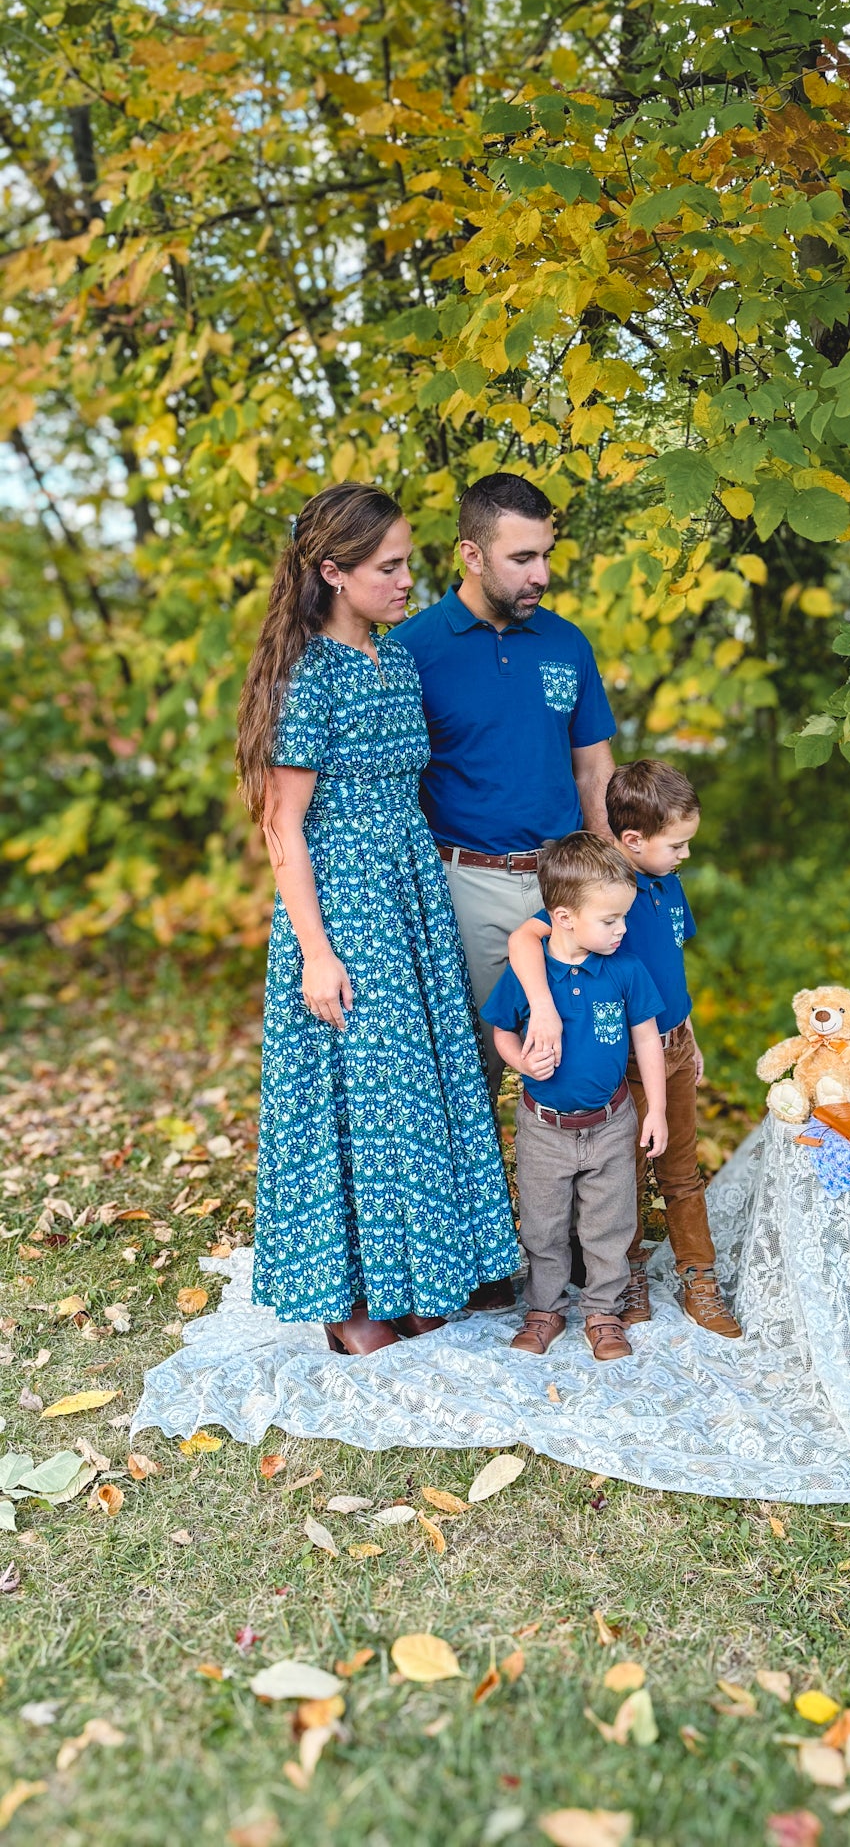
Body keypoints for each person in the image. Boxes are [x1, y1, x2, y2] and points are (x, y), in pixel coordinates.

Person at [234, 483, 520, 1356]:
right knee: (357, 1092)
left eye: (407, 563)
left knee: (417, 1089)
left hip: (411, 894)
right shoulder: (307, 673)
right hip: (345, 903)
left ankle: (419, 1274)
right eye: (388, 568)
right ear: (333, 572)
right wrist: (315, 954)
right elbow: (281, 827)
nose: (406, 581)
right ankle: (348, 1298)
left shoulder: (393, 659)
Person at [391, 472, 616, 1101]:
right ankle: (479, 1170)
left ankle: (575, 1168)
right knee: (471, 1065)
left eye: (546, 554)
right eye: (521, 558)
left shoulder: (567, 643)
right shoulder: (409, 651)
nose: (540, 574)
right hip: (463, 885)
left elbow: (594, 769)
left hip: (564, 880)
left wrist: (607, 878)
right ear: (471, 554)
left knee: (585, 1050)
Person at [507, 759, 742, 1338]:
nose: (685, 854)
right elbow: (526, 936)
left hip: (673, 1046)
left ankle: (699, 1277)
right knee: (623, 1178)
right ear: (634, 840)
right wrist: (541, 1005)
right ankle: (626, 1276)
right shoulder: (599, 896)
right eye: (677, 845)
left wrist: (689, 1031)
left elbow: (671, 968)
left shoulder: (668, 885)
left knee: (682, 1171)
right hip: (627, 1057)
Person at [481, 834, 667, 1363]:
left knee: (609, 1224)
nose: (622, 929)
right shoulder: (529, 974)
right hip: (545, 1128)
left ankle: (603, 1310)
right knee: (544, 1225)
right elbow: (502, 1031)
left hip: (610, 1122)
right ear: (562, 917)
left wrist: (656, 1109)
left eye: (623, 917)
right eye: (610, 920)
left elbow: (646, 1040)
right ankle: (545, 1308)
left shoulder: (625, 970)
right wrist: (520, 1063)